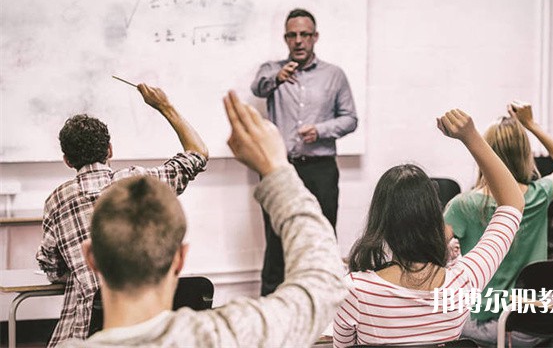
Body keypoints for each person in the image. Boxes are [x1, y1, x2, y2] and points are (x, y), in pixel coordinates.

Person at [58, 91, 346, 347]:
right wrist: (276, 169)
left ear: (91, 256)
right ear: (180, 258)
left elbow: (49, 262)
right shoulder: (228, 335)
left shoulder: (58, 199)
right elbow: (320, 283)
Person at [333, 109, 525, 347]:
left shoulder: (355, 291)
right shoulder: (464, 281)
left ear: (380, 223)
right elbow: (513, 203)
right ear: (435, 218)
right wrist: (471, 137)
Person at [36, 84, 208, 347]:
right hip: (155, 331)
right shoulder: (143, 182)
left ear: (67, 160)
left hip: (87, 331)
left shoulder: (57, 200)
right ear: (110, 150)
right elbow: (198, 154)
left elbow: (51, 266)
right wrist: (164, 106)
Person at [444, 100, 553, 347]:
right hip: (538, 325)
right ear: (525, 154)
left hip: (490, 327)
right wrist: (531, 124)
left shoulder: (462, 205)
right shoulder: (540, 194)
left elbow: (424, 255)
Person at [251, 8, 358, 295]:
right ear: (285, 38)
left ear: (315, 37)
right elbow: (258, 87)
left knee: (321, 235)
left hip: (320, 168)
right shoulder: (271, 70)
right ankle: (272, 305)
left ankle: (324, 300)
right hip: (279, 167)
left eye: (304, 35)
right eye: (292, 35)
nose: (298, 41)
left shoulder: (334, 75)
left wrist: (320, 130)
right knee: (276, 238)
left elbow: (350, 119)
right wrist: (277, 78)